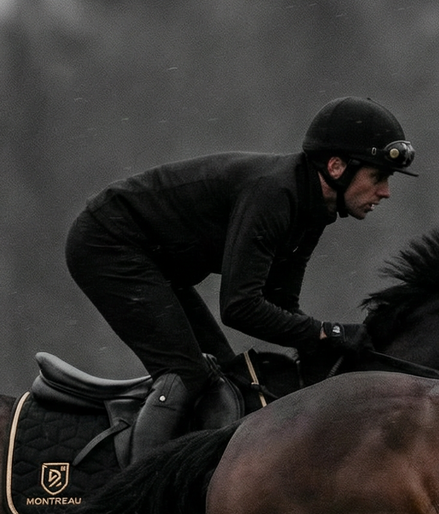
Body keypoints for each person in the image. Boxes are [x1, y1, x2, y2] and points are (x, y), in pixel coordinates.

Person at [64, 96, 417, 463]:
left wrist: (333, 348)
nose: (385, 192)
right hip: (107, 242)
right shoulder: (275, 194)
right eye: (377, 176)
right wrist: (328, 333)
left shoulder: (314, 209)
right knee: (189, 377)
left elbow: (281, 305)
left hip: (156, 263)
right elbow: (239, 307)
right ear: (337, 166)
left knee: (229, 383)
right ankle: (138, 503)